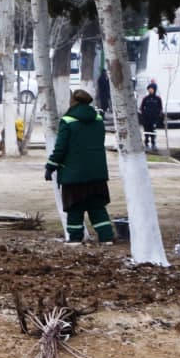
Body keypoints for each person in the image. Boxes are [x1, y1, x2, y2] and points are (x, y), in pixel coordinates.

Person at [45, 88, 116, 245]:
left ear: (74, 101)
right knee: (97, 207)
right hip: (97, 173)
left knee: (74, 208)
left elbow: (60, 148)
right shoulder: (98, 119)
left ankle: (75, 239)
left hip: (74, 174)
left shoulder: (68, 121)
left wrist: (50, 166)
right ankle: (107, 237)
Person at [138, 83, 163, 151]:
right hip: (146, 119)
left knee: (153, 131)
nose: (150, 90)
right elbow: (141, 107)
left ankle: (153, 144)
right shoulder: (146, 98)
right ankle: (146, 144)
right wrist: (144, 114)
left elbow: (160, 108)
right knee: (146, 131)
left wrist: (158, 114)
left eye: (152, 89)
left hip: (154, 118)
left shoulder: (158, 99)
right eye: (149, 89)